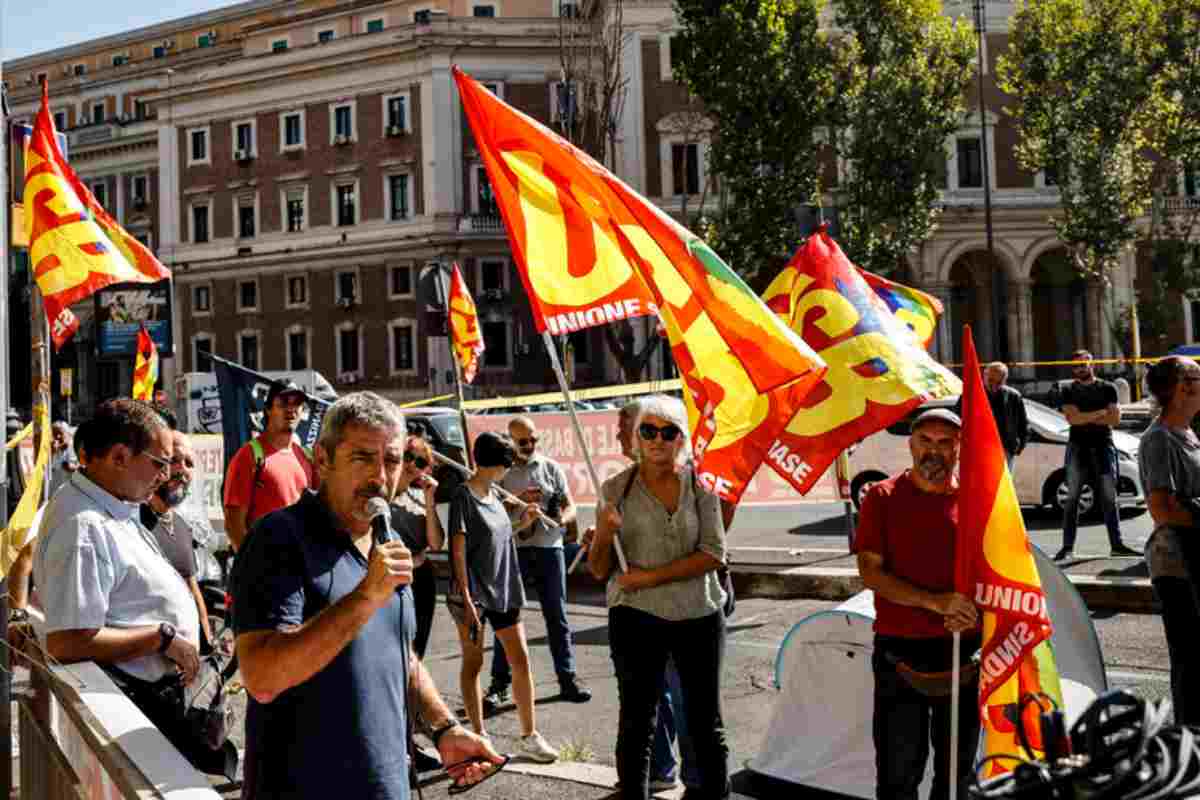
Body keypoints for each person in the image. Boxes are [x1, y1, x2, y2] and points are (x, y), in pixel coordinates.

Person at [232, 392, 504, 799]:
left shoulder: (385, 537)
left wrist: (444, 728)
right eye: (362, 458)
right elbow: (262, 677)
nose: (380, 476)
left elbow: (397, 652)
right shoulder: (279, 538)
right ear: (323, 459)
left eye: (392, 460)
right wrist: (365, 597)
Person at [33, 400, 231, 773]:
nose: (166, 474)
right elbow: (68, 642)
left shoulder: (113, 505)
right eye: (159, 463)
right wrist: (161, 639)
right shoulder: (83, 526)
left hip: (155, 706)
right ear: (120, 456)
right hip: (137, 711)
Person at [590, 394, 730, 800]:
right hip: (635, 616)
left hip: (698, 613)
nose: (657, 440)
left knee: (706, 721)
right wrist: (603, 530)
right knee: (637, 722)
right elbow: (600, 570)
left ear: (682, 440)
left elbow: (713, 554)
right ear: (636, 439)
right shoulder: (615, 489)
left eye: (668, 433)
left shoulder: (701, 484)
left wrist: (648, 577)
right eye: (648, 431)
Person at [854, 408, 980, 800]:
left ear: (959, 449)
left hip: (963, 650)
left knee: (956, 774)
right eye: (925, 441)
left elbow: (1000, 569)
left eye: (946, 443)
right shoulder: (881, 497)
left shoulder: (980, 499)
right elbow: (871, 574)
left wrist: (978, 609)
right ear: (910, 444)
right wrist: (935, 603)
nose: (934, 451)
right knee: (898, 771)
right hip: (899, 650)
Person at [448, 430, 559, 762]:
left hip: (504, 588)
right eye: (507, 464)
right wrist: (466, 598)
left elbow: (498, 538)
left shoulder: (494, 495)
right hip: (475, 593)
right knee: (474, 662)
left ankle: (529, 735)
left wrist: (522, 523)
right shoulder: (463, 497)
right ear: (497, 464)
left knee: (520, 659)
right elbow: (458, 551)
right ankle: (478, 736)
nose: (509, 470)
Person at [484, 415, 590, 711]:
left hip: (548, 547)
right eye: (522, 441)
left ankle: (567, 678)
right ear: (511, 441)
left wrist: (561, 520)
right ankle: (499, 685)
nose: (529, 445)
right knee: (506, 617)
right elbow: (490, 510)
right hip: (515, 548)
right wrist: (517, 501)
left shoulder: (550, 468)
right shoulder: (501, 472)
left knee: (556, 615)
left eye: (533, 440)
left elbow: (570, 506)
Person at [1138, 356, 1200, 726]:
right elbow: (1162, 510)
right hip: (1177, 564)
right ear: (1181, 389)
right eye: (1196, 378)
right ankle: (1189, 742)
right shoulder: (1158, 439)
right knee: (1190, 658)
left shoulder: (1189, 433)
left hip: (1195, 555)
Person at [1055, 350, 1139, 560]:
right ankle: (1067, 547)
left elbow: (1115, 419)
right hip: (1078, 447)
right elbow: (1073, 420)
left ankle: (1117, 545)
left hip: (1103, 446)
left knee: (1110, 497)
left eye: (1083, 365)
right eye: (1076, 366)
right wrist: (1100, 413)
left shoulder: (1108, 388)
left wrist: (1085, 417)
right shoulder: (1067, 389)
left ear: (1092, 364)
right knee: (1072, 498)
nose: (1080, 369)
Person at [140, 430, 214, 649]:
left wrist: (207, 644)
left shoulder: (181, 525)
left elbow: (192, 588)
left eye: (189, 463)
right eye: (174, 460)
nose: (182, 469)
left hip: (184, 665)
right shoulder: (131, 523)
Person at [223, 379, 314, 551]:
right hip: (265, 570)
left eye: (297, 404)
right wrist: (251, 567)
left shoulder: (306, 457)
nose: (291, 409)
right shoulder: (248, 456)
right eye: (283, 403)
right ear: (268, 409)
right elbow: (233, 524)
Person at [953, 362, 1028, 469]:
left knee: (1003, 485)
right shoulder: (970, 395)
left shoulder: (1013, 396)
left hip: (1004, 451)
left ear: (1005, 380)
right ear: (984, 376)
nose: (994, 386)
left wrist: (1019, 447)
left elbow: (1023, 424)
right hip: (978, 452)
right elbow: (956, 421)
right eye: (991, 380)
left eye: (999, 382)